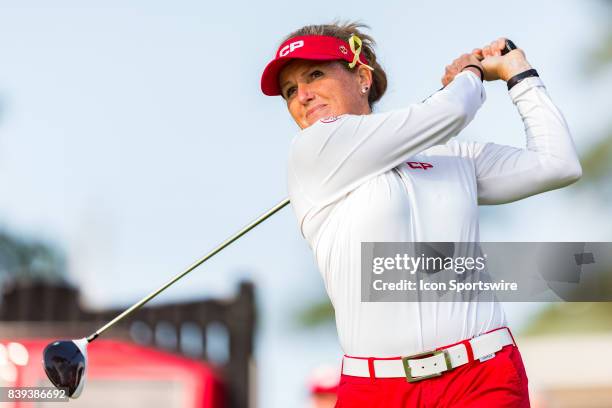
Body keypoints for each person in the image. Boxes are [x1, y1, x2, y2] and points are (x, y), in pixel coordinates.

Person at [260, 22, 581, 407]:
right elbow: (453, 109)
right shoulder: (311, 151)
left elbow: (558, 163)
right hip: (376, 390)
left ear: (362, 76)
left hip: (481, 376)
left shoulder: (450, 157)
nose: (303, 95)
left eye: (315, 75)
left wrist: (520, 75)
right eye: (290, 91)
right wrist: (471, 72)